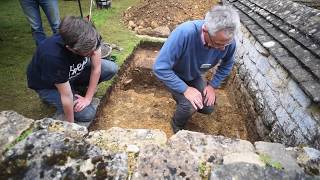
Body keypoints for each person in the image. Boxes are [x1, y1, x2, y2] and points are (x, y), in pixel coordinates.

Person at [153, 5, 240, 133]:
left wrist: (212, 86)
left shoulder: (227, 42)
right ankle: (177, 125)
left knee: (207, 107)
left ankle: (183, 100)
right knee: (189, 106)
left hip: (194, 75)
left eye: (226, 44)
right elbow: (160, 67)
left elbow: (227, 64)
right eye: (218, 44)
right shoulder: (184, 33)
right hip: (174, 74)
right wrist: (185, 89)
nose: (223, 49)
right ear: (205, 30)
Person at [27, 16, 118, 123]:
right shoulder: (52, 57)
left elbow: (96, 68)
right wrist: (71, 126)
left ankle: (76, 88)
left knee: (111, 68)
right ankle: (51, 96)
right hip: (49, 86)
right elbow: (66, 96)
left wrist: (88, 98)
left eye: (95, 48)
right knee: (87, 114)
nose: (94, 53)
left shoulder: (90, 35)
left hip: (70, 73)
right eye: (88, 52)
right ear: (71, 49)